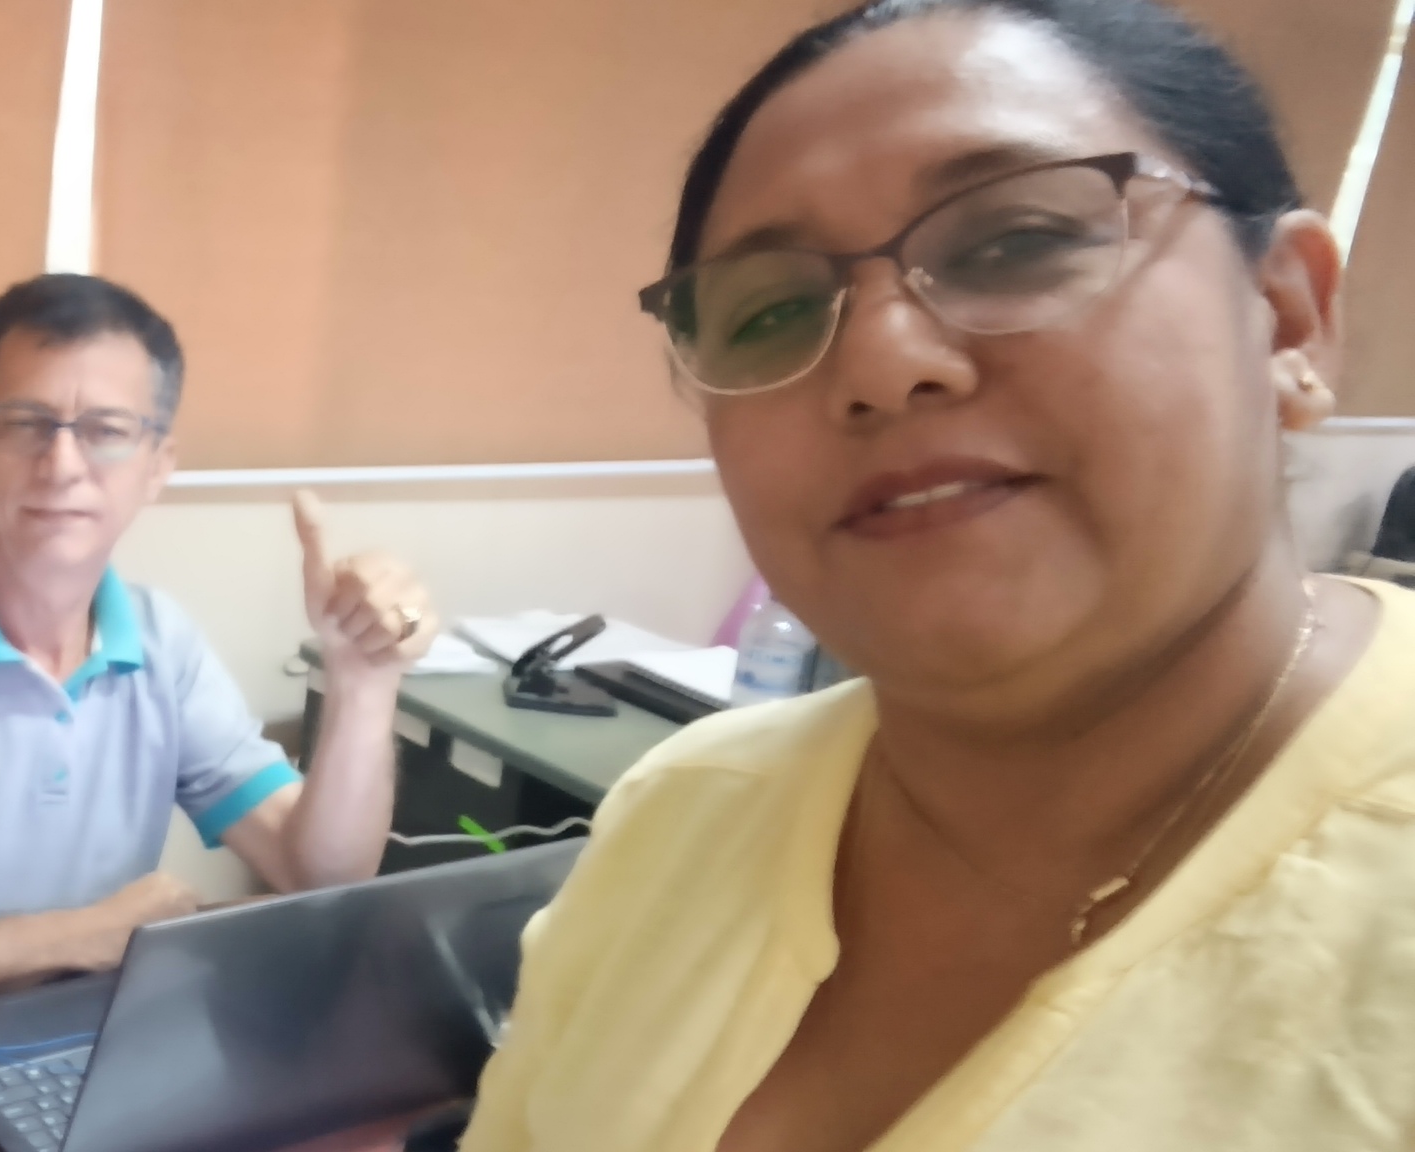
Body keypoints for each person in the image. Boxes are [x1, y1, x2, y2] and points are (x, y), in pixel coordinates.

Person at [461, 1, 1411, 1149]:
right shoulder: (684, 808)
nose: (880, 359)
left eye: (1013, 242)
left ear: (1287, 321)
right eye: (771, 311)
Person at [0, 273, 438, 1018]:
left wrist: (363, 682)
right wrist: (76, 938)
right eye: (25, 422)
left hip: (90, 1046)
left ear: (157, 467)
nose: (63, 465)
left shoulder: (163, 642)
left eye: (106, 430)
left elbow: (321, 876)